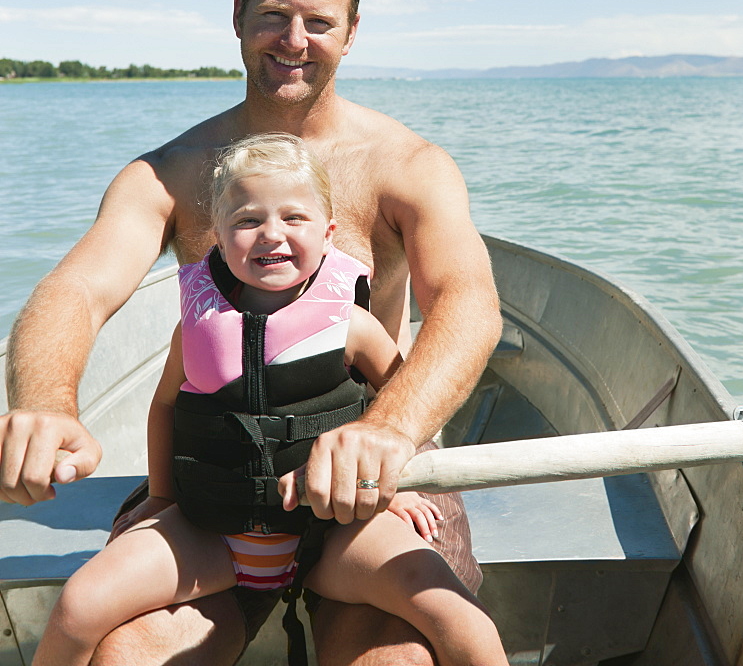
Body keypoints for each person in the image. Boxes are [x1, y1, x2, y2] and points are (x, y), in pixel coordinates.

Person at [2, 0, 504, 666]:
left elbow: (468, 303)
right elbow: (75, 289)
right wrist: (43, 403)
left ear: (352, 31)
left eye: (318, 22)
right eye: (273, 15)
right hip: (218, 473)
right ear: (237, 14)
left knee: (396, 661)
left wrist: (390, 431)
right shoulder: (170, 173)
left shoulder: (409, 166)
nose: (293, 39)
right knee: (129, 654)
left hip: (370, 474)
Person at [31, 134, 507, 666]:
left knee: (455, 612)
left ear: (329, 234)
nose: (271, 235)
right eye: (247, 220)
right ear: (217, 235)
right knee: (78, 605)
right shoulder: (196, 330)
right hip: (216, 538)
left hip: (335, 535)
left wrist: (388, 488)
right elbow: (165, 407)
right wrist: (164, 500)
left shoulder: (351, 325)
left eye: (294, 218)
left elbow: (398, 402)